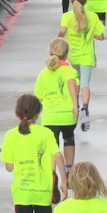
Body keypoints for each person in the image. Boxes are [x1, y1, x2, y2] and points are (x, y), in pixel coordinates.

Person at [0, 94, 68, 213]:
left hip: (22, 192)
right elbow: (58, 156)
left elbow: (9, 167)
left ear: (16, 112)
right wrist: (63, 181)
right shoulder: (46, 133)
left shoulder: (10, 136)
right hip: (43, 190)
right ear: (38, 114)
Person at [58, 0, 106, 133]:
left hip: (71, 56)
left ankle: (75, 106)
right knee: (85, 83)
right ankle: (85, 106)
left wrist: (58, 39)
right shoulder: (93, 17)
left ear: (71, 1)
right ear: (85, 1)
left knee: (75, 81)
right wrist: (92, 35)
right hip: (87, 56)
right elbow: (102, 36)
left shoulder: (66, 16)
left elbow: (62, 31)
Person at [34, 39, 80, 173]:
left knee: (52, 145)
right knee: (69, 138)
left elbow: (39, 97)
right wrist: (75, 106)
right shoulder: (70, 72)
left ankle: (52, 174)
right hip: (68, 115)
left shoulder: (43, 74)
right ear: (66, 55)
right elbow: (75, 91)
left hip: (49, 117)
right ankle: (69, 170)